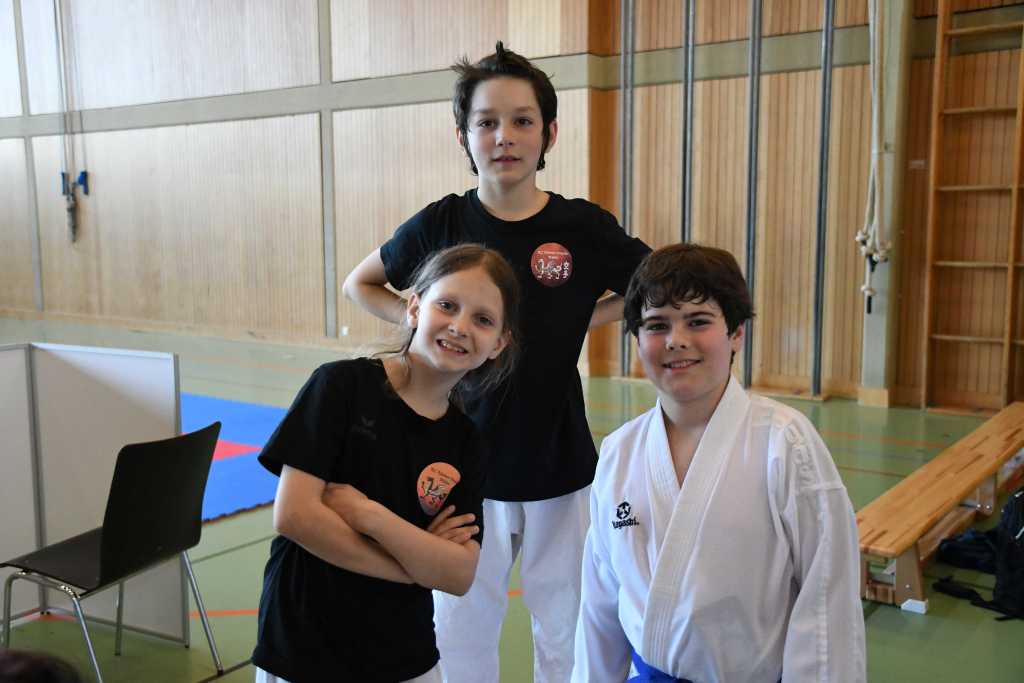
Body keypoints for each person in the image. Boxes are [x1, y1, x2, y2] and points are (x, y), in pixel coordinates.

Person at [343, 42, 650, 682]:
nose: (504, 136)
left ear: (549, 134)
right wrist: (425, 323)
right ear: (463, 136)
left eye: (521, 121)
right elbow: (360, 284)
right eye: (486, 122)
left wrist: (582, 315)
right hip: (459, 462)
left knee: (568, 625)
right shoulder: (442, 223)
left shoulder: (582, 227)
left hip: (559, 464)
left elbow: (650, 285)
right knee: (459, 628)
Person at [571, 244, 866, 683]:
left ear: (736, 334)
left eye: (698, 321)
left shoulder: (785, 443)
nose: (676, 340)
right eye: (657, 325)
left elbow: (827, 601)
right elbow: (599, 610)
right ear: (637, 339)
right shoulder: (620, 451)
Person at [252, 244, 520, 683]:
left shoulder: (465, 442)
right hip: (305, 646)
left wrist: (369, 516)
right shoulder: (341, 387)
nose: (459, 327)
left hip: (403, 654)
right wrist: (414, 565)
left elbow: (457, 573)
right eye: (447, 305)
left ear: (499, 344)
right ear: (414, 308)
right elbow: (295, 516)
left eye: (483, 320)